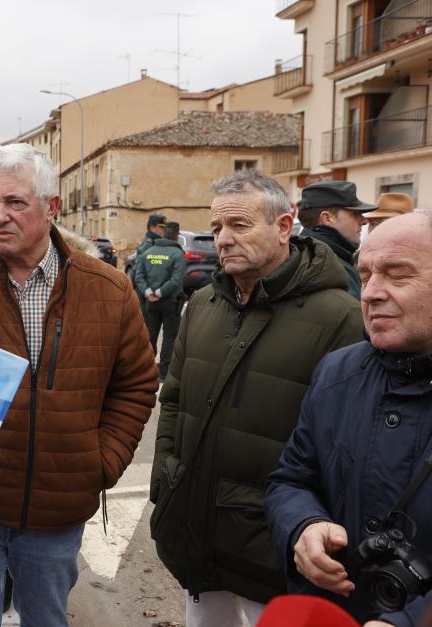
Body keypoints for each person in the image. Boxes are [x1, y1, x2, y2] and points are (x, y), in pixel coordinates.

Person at [0, 144, 158, 626]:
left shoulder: (110, 290)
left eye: (14, 203)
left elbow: (135, 384)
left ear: (51, 208)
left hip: (56, 512)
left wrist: (99, 463)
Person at [150, 169, 363, 627]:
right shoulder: (203, 304)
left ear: (284, 227)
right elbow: (174, 400)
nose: (224, 239)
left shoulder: (341, 317)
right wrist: (165, 478)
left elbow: (346, 446)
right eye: (216, 228)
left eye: (239, 226)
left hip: (276, 549)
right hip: (198, 536)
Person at [266, 211, 432, 627]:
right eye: (366, 274)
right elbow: (291, 478)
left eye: (397, 275)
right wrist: (303, 527)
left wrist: (411, 619)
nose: (371, 291)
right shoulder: (336, 372)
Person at [297, 181, 376, 300]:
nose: (364, 221)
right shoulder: (328, 264)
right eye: (355, 213)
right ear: (327, 218)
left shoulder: (304, 254)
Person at [133, 220, 186, 381]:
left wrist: (149, 292)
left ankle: (146, 370)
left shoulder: (148, 252)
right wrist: (160, 292)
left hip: (151, 302)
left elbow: (138, 275)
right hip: (170, 302)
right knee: (170, 337)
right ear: (177, 236)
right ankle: (163, 373)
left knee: (150, 334)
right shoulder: (177, 254)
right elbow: (177, 280)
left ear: (163, 234)